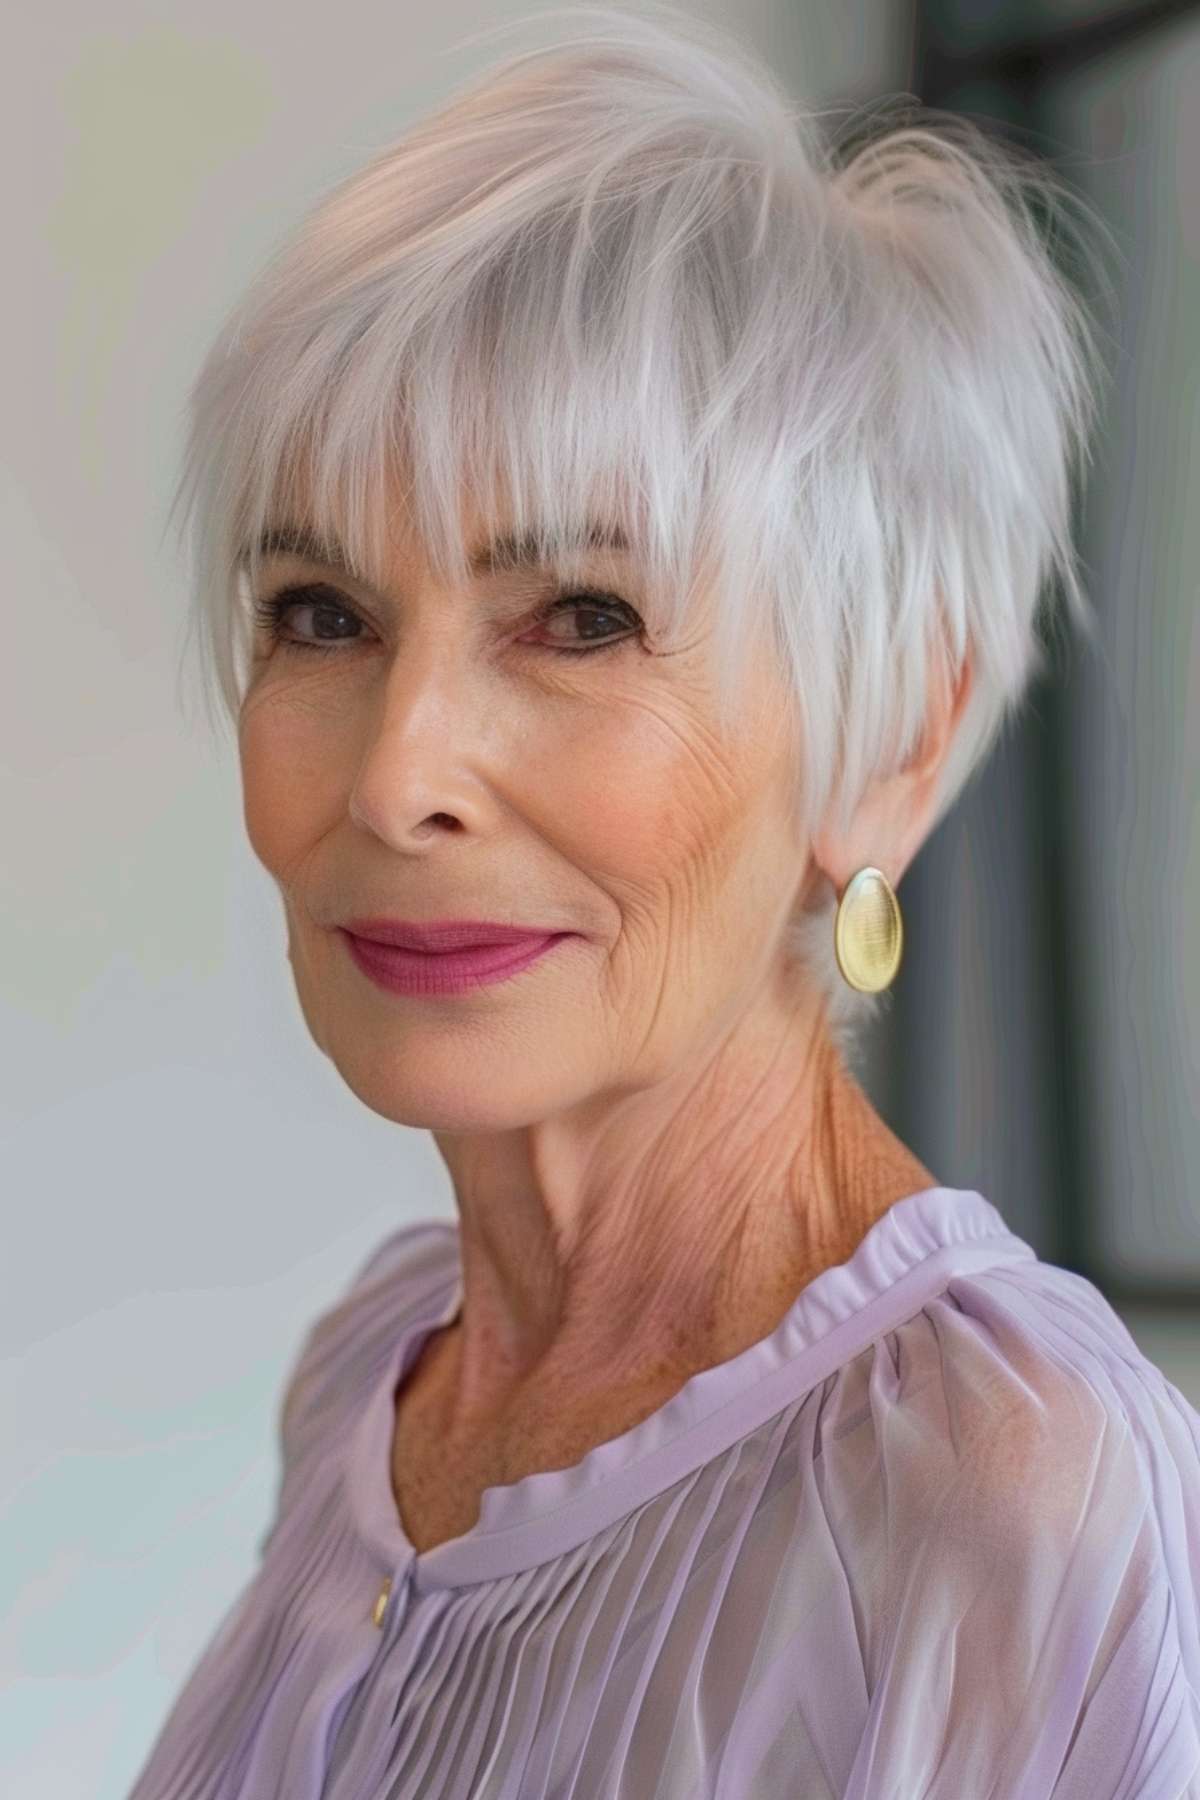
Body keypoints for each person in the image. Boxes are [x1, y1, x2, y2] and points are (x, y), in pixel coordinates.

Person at [130, 4, 1200, 1795]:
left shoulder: (1003, 1490)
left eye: (581, 618)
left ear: (892, 741)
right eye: (323, 613)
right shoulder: (375, 1377)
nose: (399, 778)